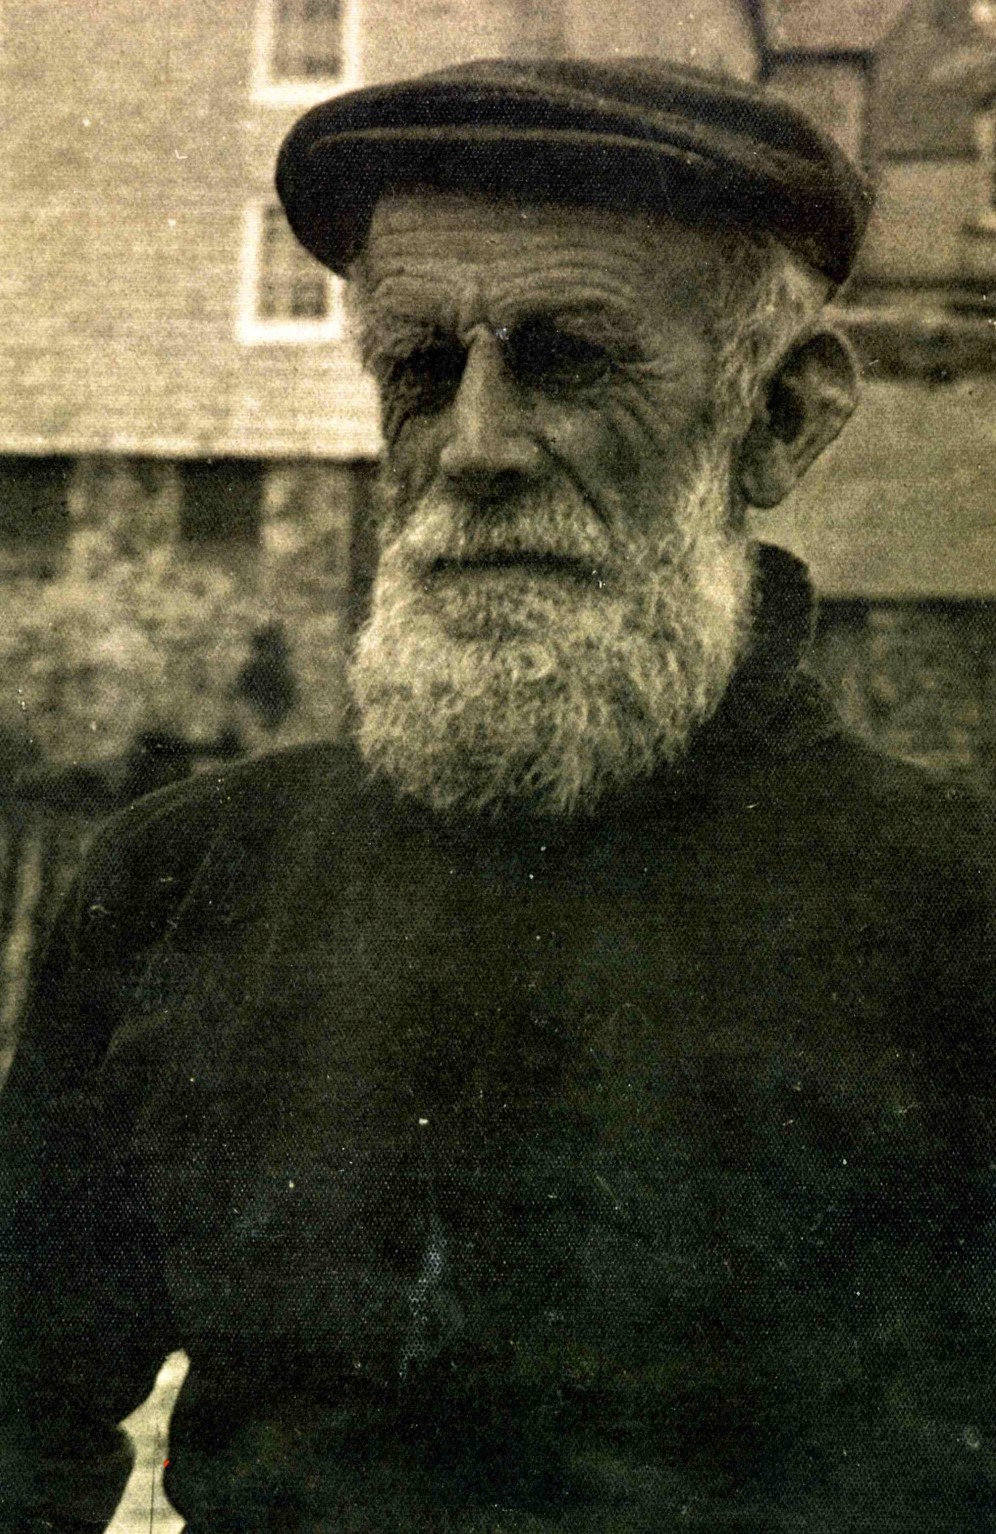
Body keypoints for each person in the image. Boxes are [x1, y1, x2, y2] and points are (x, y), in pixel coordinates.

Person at [2, 57, 994, 1534]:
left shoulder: (956, 919)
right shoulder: (185, 879)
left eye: (569, 359)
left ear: (780, 421)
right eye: (418, 371)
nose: (470, 449)